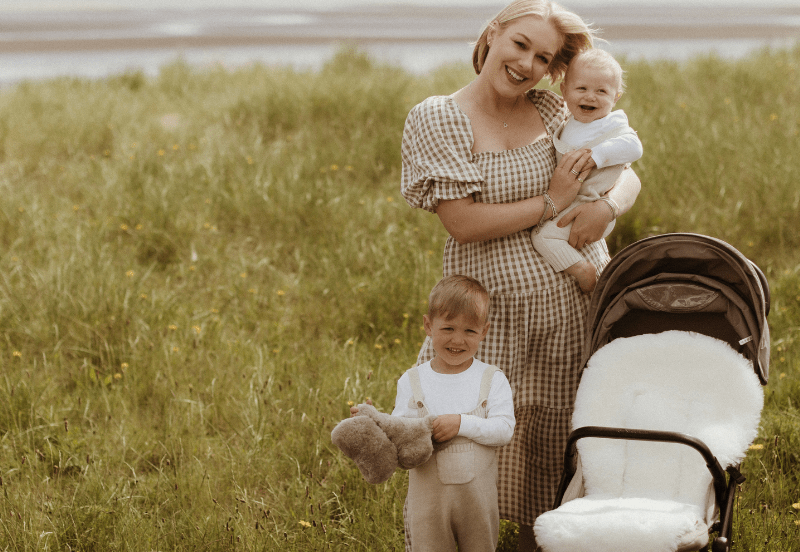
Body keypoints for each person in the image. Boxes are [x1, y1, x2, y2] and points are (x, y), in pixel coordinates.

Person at [399, 1, 641, 550]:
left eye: (544, 57)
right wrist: (549, 202)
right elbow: (462, 223)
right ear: (493, 33)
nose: (527, 64)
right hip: (492, 313)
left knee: (565, 431)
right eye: (520, 45)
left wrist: (608, 207)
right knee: (462, 431)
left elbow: (626, 174)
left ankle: (553, 537)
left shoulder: (555, 109)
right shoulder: (439, 117)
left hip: (574, 305)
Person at [392, 275, 515, 552]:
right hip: (428, 504)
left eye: (470, 331)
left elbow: (504, 430)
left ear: (484, 331)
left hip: (478, 503)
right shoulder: (413, 380)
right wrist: (374, 424)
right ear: (428, 326)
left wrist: (461, 423)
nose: (457, 340)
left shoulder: (491, 379)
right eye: (448, 328)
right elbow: (400, 434)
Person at [531, 48, 642, 293]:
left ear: (616, 97)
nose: (590, 97)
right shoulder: (568, 121)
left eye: (601, 91)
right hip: (575, 202)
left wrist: (597, 156)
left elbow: (634, 147)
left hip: (591, 204)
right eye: (581, 88)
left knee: (543, 237)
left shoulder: (610, 123)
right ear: (564, 91)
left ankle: (582, 269)